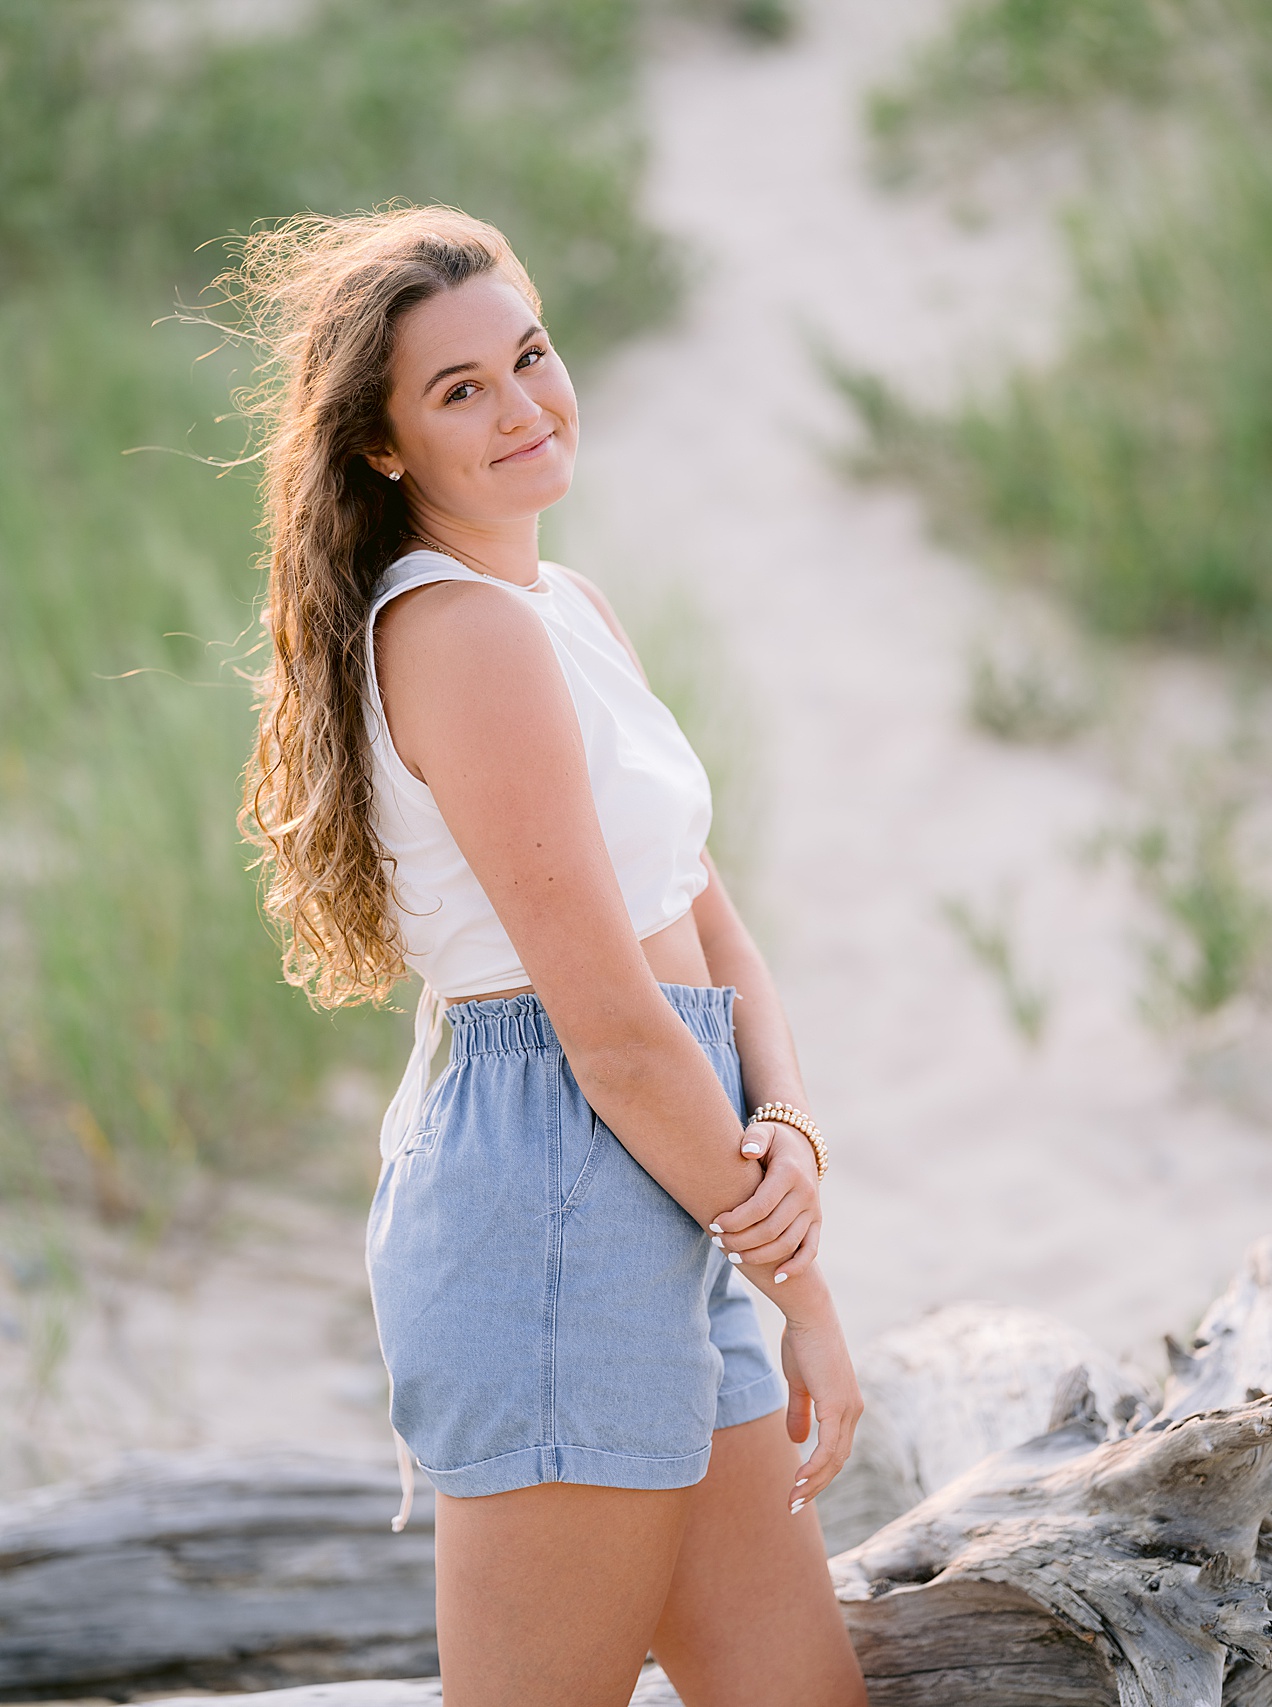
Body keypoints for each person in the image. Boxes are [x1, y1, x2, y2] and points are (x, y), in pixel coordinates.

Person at [237, 204, 867, 1707]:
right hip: (554, 1206)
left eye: (528, 355)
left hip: (673, 1173)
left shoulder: (563, 607)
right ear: (385, 448)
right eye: (461, 390)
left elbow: (704, 913)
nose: (524, 405)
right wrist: (810, 1299)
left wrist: (784, 1124)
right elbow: (614, 1030)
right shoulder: (460, 635)